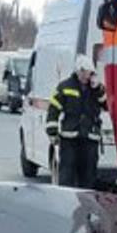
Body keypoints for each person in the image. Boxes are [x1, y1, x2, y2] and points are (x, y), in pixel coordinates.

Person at [45, 54, 108, 189]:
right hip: (69, 139)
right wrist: (52, 132)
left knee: (89, 175)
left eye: (90, 73)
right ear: (78, 71)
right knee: (67, 174)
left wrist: (98, 90)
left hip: (90, 139)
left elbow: (107, 105)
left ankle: (87, 203)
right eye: (85, 72)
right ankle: (65, 202)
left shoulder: (96, 89)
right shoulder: (65, 87)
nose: (87, 76)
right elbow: (53, 110)